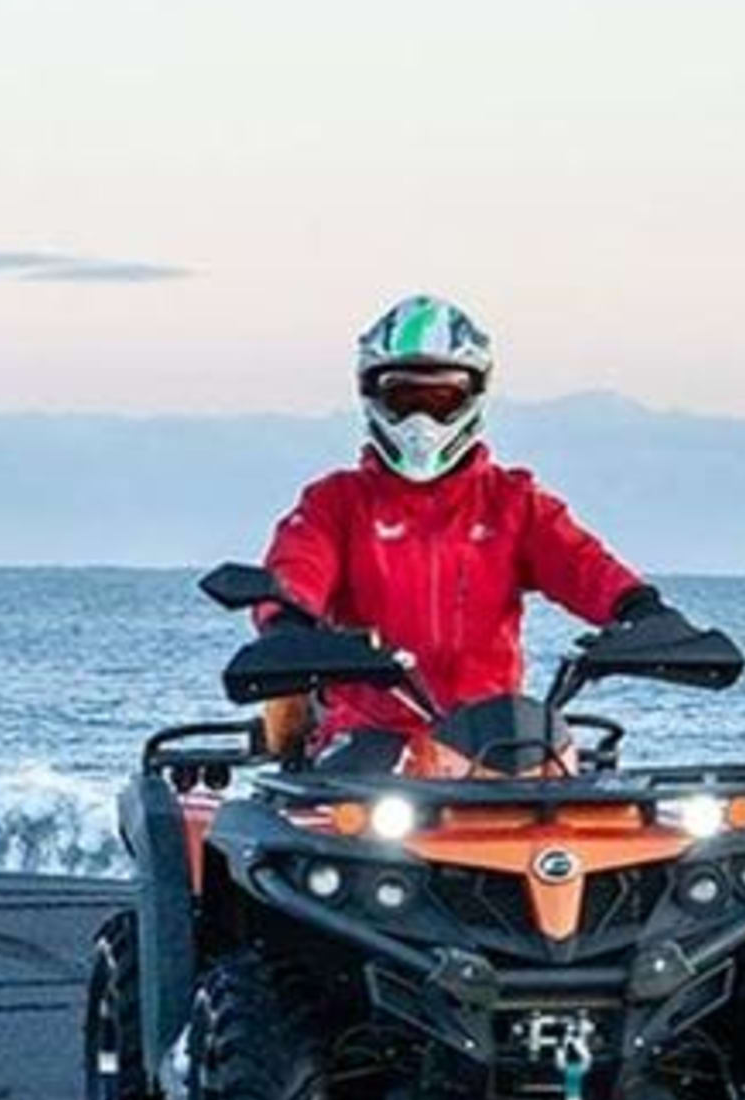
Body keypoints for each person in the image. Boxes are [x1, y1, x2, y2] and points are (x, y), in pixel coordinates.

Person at [258, 296, 672, 757]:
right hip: (371, 736)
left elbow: (582, 564)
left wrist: (642, 612)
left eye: (440, 398)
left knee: (596, 805)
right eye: (405, 397)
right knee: (342, 809)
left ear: (472, 397)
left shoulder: (514, 504)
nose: (421, 419)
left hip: (497, 740)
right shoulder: (335, 503)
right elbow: (298, 566)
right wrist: (287, 623)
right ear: (374, 396)